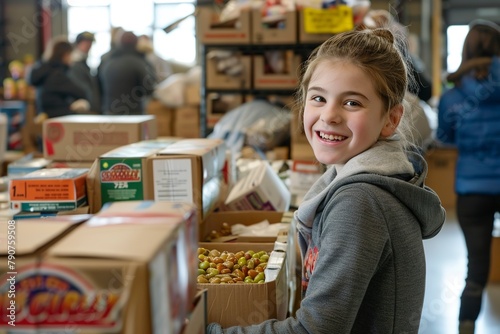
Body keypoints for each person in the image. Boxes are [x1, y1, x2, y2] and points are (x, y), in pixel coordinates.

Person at [207, 28, 445, 333]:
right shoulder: (360, 181)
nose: (329, 115)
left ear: (391, 119)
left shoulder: (359, 202)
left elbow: (314, 330)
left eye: (352, 103)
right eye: (318, 98)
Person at [437, 19, 500, 334]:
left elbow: (444, 136)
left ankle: (465, 325)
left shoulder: (453, 96)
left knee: (476, 265)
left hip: (473, 187)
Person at [28, 38, 89, 118]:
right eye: (70, 54)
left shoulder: (44, 70)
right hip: (57, 117)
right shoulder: (57, 75)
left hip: (46, 114)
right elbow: (81, 93)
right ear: (65, 55)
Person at [98, 31, 156, 115]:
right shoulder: (139, 62)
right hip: (133, 115)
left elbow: (98, 87)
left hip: (109, 113)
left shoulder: (107, 62)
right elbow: (149, 88)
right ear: (136, 43)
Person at [68, 31, 101, 113]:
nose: (89, 46)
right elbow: (83, 87)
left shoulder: (83, 62)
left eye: (90, 43)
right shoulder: (75, 64)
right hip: (83, 108)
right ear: (78, 43)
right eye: (86, 43)